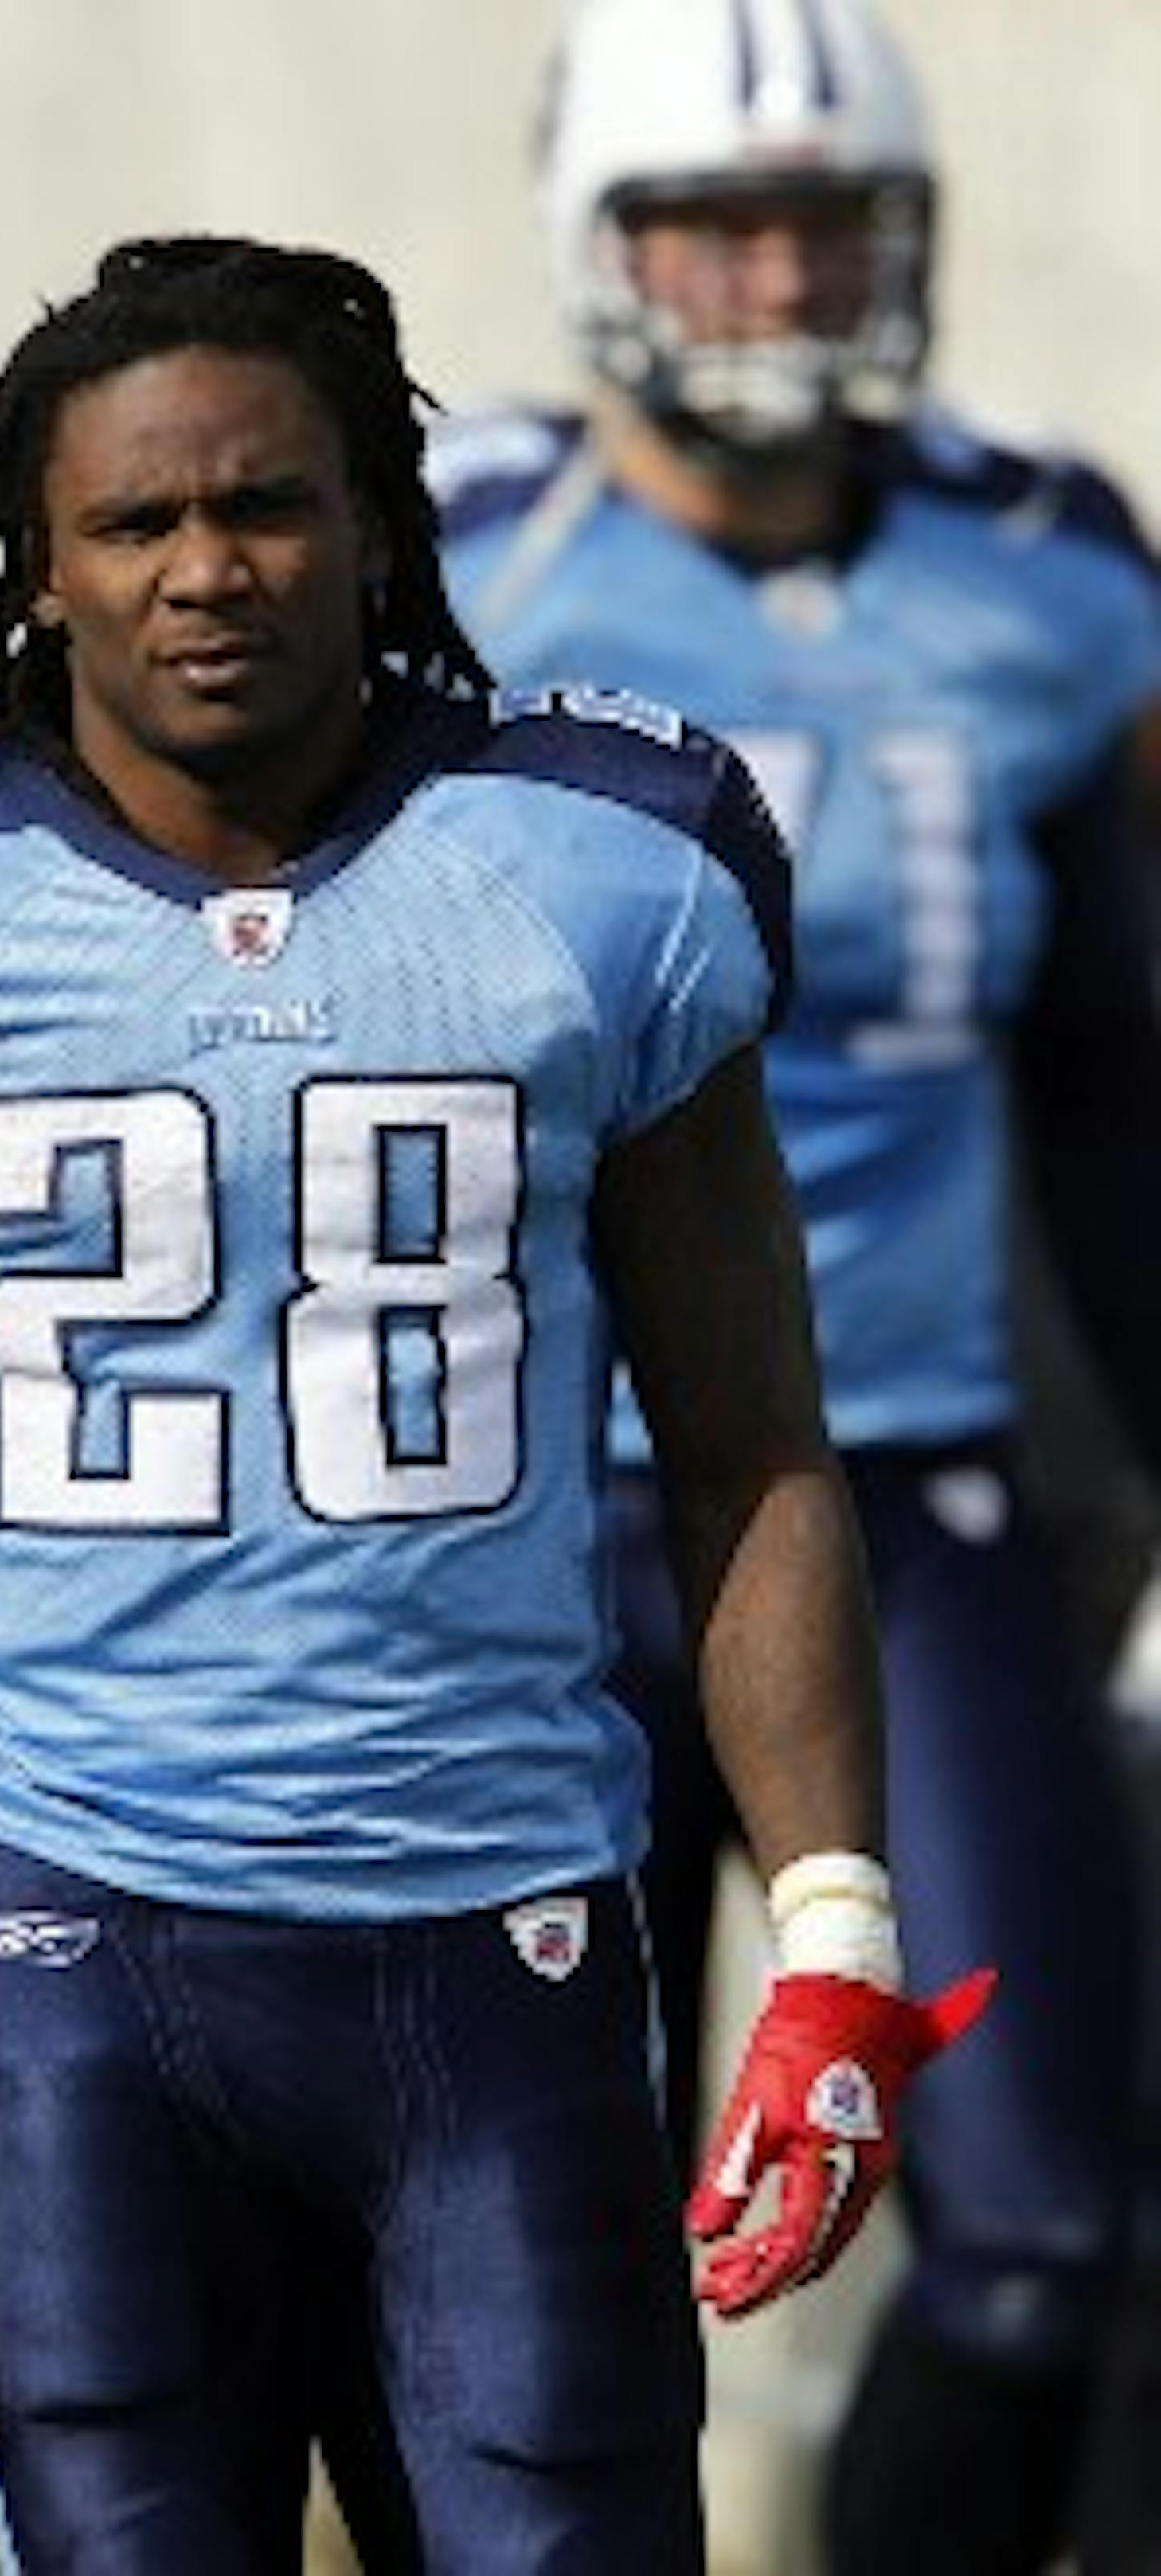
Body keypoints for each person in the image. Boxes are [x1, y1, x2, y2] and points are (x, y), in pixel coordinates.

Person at [0, 233, 987, 2576]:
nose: (208, 569)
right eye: (137, 521)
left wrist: (831, 1931)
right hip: (70, 1935)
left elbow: (751, 1451)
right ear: (38, 566)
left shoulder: (605, 864)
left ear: (377, 525)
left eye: (267, 504)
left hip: (498, 1915)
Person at [430, 2, 1161, 2569]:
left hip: (903, 1491)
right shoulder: (445, 556)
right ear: (593, 241)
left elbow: (1120, 1060)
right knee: (544, 2283)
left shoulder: (1051, 565)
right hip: (520, 1517)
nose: (773, 279)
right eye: (713, 225)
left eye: (822, 225)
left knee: (1047, 2224)